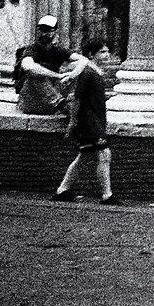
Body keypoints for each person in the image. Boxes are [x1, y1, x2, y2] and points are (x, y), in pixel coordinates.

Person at [47, 36, 118, 205]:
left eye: (107, 51)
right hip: (89, 121)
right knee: (104, 154)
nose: (106, 55)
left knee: (85, 155)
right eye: (102, 52)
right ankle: (107, 195)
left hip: (93, 120)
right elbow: (77, 99)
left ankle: (62, 190)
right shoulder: (87, 73)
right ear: (91, 54)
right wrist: (73, 121)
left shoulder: (92, 71)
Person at [14, 17, 73, 115]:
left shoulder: (59, 50)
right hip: (30, 102)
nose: (44, 34)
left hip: (50, 104)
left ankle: (72, 104)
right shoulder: (31, 49)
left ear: (55, 32)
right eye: (41, 30)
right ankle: (62, 104)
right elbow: (28, 66)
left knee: (74, 69)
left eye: (48, 31)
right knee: (36, 73)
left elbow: (82, 60)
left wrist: (72, 73)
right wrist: (57, 75)